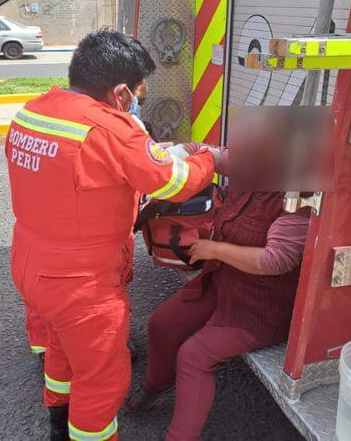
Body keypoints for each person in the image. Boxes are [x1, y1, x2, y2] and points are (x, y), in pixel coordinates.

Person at [6, 29, 219, 441]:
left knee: (62, 351)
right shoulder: (112, 128)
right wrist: (206, 156)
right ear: (121, 92)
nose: (138, 101)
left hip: (32, 267)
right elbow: (175, 183)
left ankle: (58, 424)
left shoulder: (33, 111)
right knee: (102, 378)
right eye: (139, 92)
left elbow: (80, 175)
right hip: (80, 285)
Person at [127, 146, 309, 441]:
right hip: (221, 280)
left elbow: (276, 261)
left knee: (194, 356)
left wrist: (214, 249)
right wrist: (167, 152)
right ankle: (157, 384)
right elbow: (206, 153)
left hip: (261, 304)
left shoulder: (299, 200)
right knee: (162, 323)